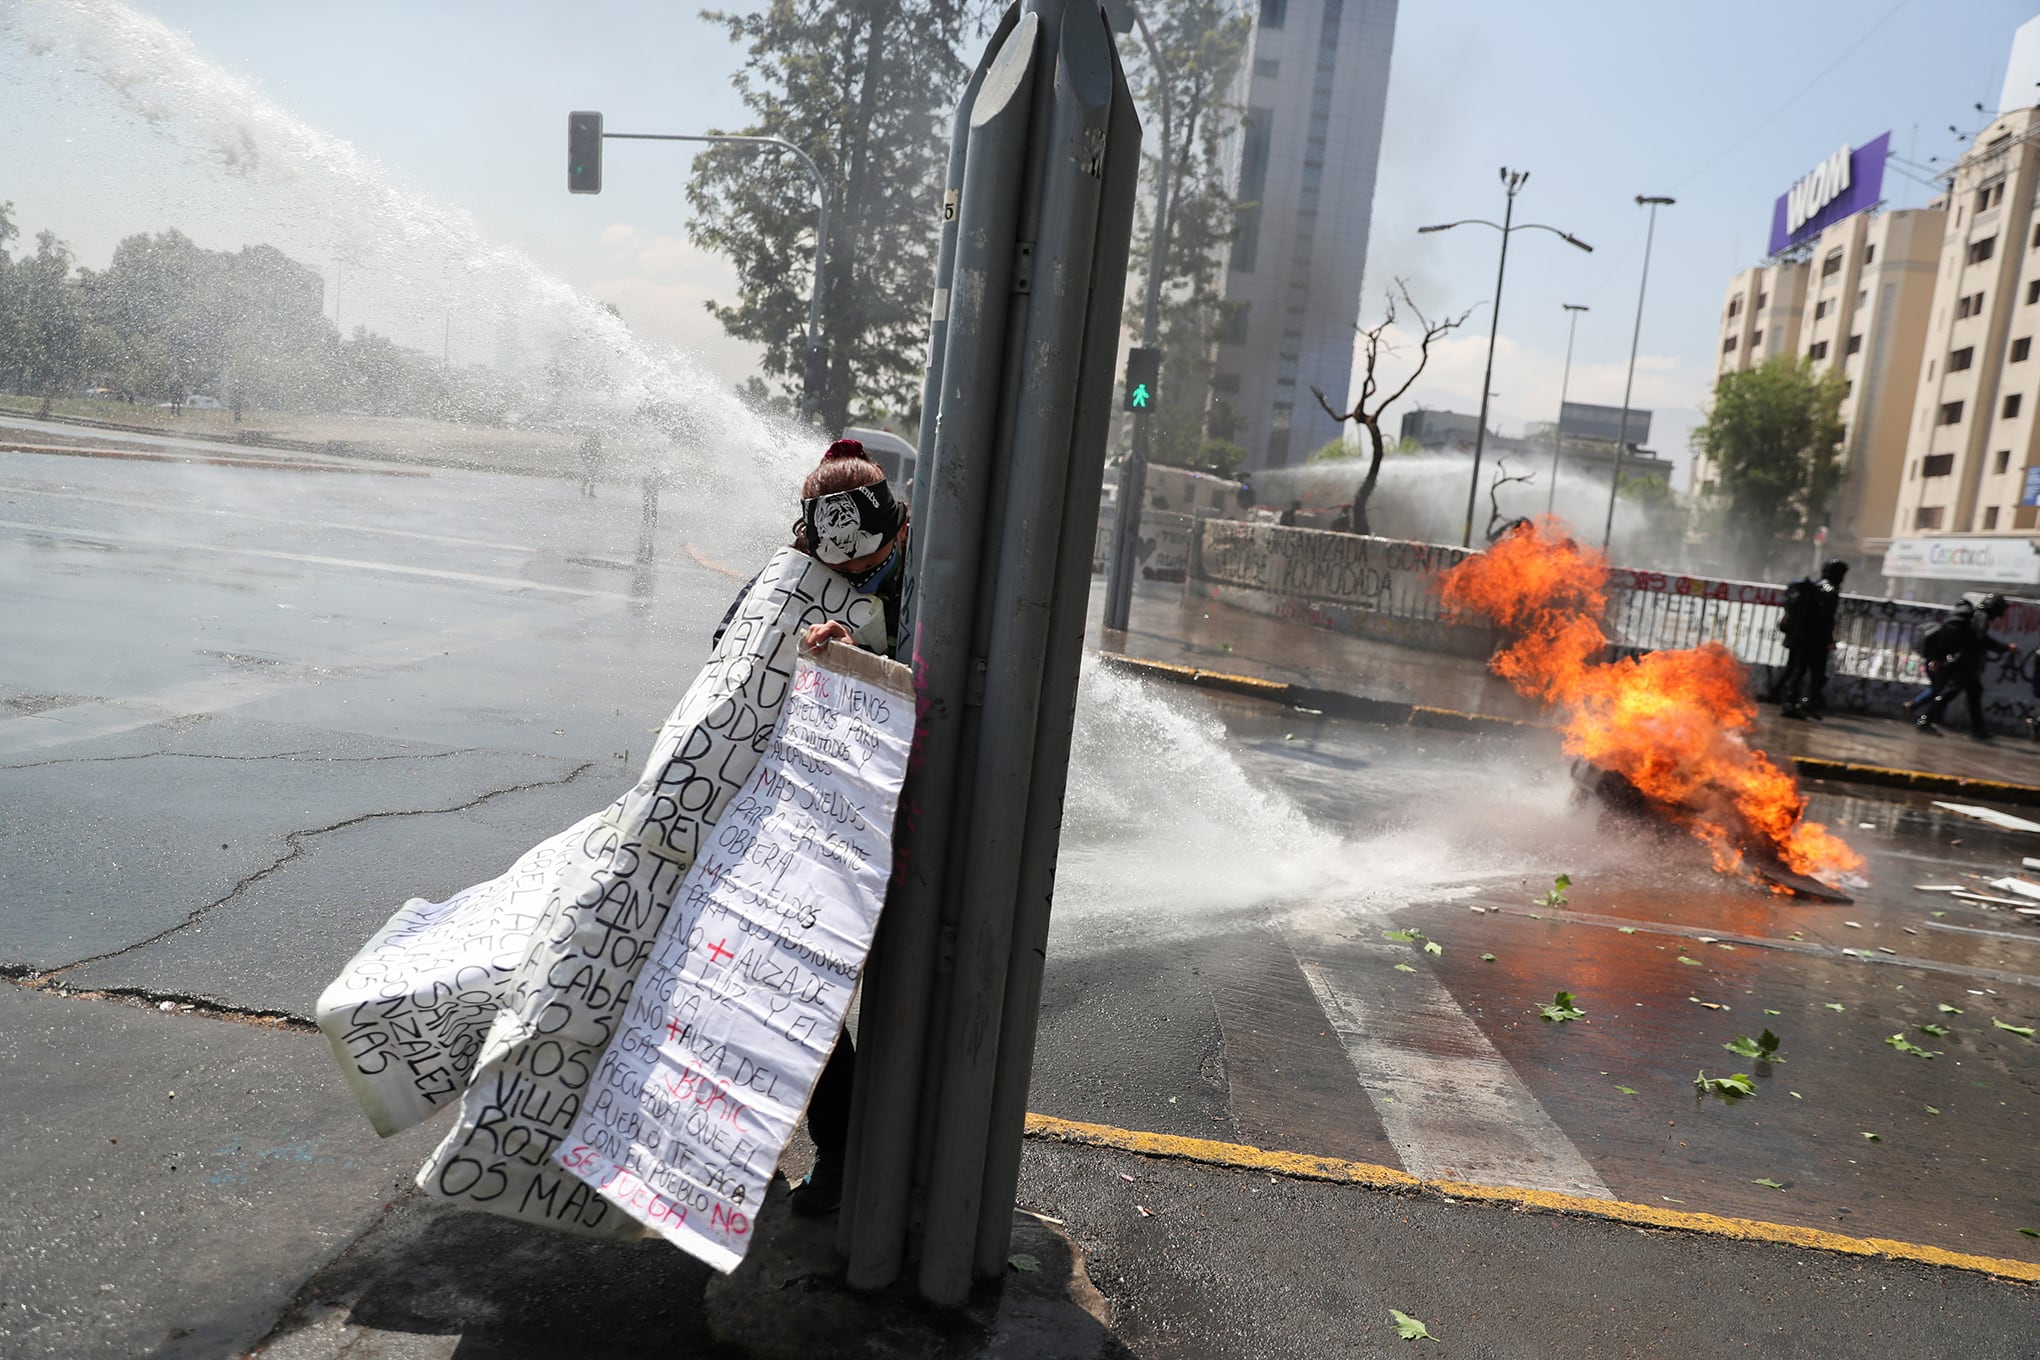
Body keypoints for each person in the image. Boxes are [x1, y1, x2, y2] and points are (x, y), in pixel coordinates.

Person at [711, 437, 910, 1216]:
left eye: (867, 562)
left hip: (872, 809)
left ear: (890, 529)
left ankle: (847, 1145)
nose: (854, 576)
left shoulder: (923, 574)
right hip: (778, 799)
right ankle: (751, 1139)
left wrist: (859, 656)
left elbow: (935, 677)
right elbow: (731, 662)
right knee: (771, 978)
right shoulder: (788, 576)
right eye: (839, 564)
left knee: (824, 985)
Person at [1916, 592, 2018, 739]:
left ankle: (1978, 731)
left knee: (1972, 694)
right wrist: (2005, 647)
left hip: (1965, 663)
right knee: (1950, 693)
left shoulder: (1977, 616)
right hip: (1965, 664)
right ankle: (1925, 721)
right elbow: (1981, 640)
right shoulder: (1980, 617)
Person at [1770, 558, 1847, 719]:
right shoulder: (1828, 588)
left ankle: (1793, 702)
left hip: (1803, 636)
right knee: (1814, 674)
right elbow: (1825, 618)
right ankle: (1800, 702)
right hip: (1815, 639)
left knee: (1800, 670)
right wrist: (1828, 639)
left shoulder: (1816, 586)